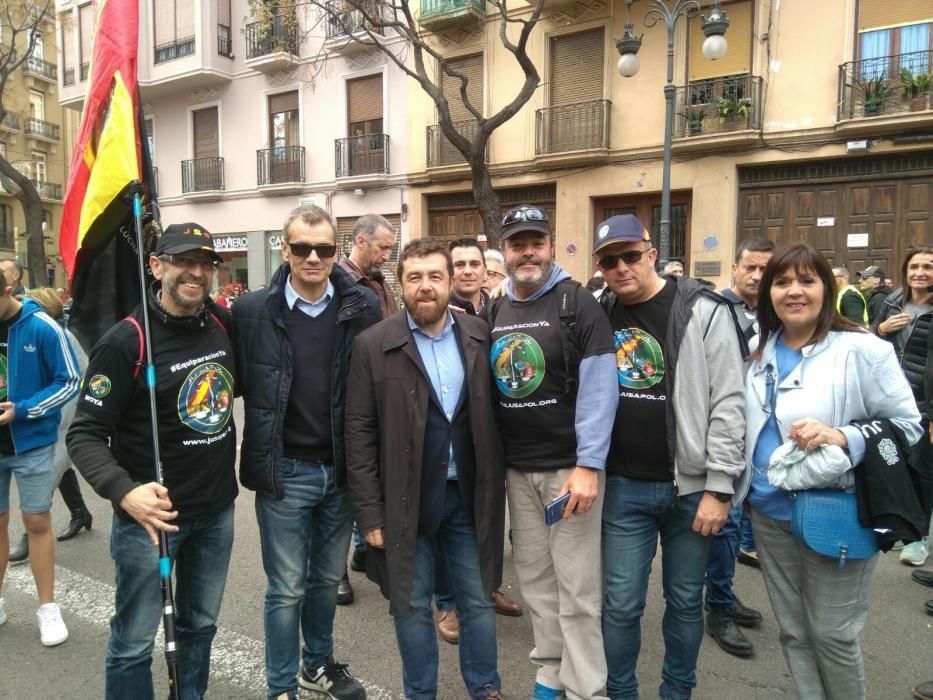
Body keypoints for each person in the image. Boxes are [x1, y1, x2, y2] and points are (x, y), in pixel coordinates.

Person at [741, 242, 921, 700]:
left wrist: (844, 435)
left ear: (827, 287)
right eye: (782, 282)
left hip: (835, 510)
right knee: (795, 632)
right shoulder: (756, 349)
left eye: (806, 280)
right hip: (768, 512)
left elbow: (907, 426)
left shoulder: (863, 349)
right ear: (768, 294)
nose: (793, 292)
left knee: (834, 635)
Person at [67, 222, 238, 698]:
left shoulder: (222, 323)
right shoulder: (126, 341)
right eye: (184, 261)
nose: (196, 273)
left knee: (200, 627)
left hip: (216, 511)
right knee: (134, 642)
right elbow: (83, 434)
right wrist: (125, 492)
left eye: (205, 264)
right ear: (156, 265)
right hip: (152, 521)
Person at [345, 238, 505, 700]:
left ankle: (485, 686)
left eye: (435, 276)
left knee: (476, 601)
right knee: (412, 607)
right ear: (401, 284)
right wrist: (369, 514)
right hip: (403, 500)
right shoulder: (373, 345)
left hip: (467, 497)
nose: (425, 287)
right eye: (414, 277)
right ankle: (420, 693)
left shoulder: (478, 334)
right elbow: (359, 435)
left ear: (451, 282)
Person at [594, 214, 746, 697]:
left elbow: (728, 400)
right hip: (623, 487)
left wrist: (720, 487)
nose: (621, 268)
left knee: (683, 602)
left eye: (630, 256)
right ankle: (622, 693)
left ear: (651, 253)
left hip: (691, 488)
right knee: (619, 606)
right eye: (609, 261)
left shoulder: (703, 308)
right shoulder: (599, 311)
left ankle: (676, 692)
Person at [233, 204, 376, 700]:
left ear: (337, 252)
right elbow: (215, 380)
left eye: (323, 248)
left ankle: (316, 665)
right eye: (301, 247)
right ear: (284, 248)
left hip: (340, 473)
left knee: (321, 584)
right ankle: (280, 688)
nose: (313, 257)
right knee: (286, 587)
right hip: (284, 472)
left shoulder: (363, 308)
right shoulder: (250, 311)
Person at [487, 205, 618, 700]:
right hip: (518, 472)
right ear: (504, 251)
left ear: (550, 246)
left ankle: (587, 689)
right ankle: (550, 673)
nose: (527, 251)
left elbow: (600, 391)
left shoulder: (577, 303)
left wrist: (589, 465)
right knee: (537, 581)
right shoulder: (496, 307)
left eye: (535, 242)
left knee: (578, 589)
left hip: (569, 472)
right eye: (517, 243)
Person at [435, 238, 522, 644]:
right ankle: (447, 601)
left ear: (486, 271)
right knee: (446, 522)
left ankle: (486, 586)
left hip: (490, 433)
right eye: (460, 264)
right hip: (450, 438)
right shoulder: (436, 310)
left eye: (475, 264)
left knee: (487, 517)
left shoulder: (498, 307)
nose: (468, 270)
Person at [700, 238, 775, 657]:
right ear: (734, 268)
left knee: (738, 524)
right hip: (723, 432)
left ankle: (721, 590)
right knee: (723, 524)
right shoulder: (713, 309)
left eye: (766, 269)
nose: (757, 276)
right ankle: (718, 606)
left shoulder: (776, 313)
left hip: (761, 435)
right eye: (751, 267)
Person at [0, 273, 80, 646]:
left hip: (30, 443)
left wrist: (24, 410)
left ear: (7, 290)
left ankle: (47, 608)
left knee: (36, 521)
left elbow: (70, 380)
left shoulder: (41, 326)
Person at [337, 213, 399, 604]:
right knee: (344, 486)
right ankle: (335, 571)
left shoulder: (379, 282)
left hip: (381, 396)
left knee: (373, 478)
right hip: (349, 397)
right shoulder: (338, 282)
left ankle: (362, 547)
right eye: (382, 248)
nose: (387, 256)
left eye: (390, 249)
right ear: (361, 241)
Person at [873, 246, 933, 568]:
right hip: (890, 399)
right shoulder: (892, 301)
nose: (920, 273)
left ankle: (918, 537)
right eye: (914, 267)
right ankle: (900, 525)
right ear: (905, 271)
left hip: (925, 402)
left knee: (923, 470)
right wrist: (881, 330)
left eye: (928, 266)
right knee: (892, 464)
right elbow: (871, 344)